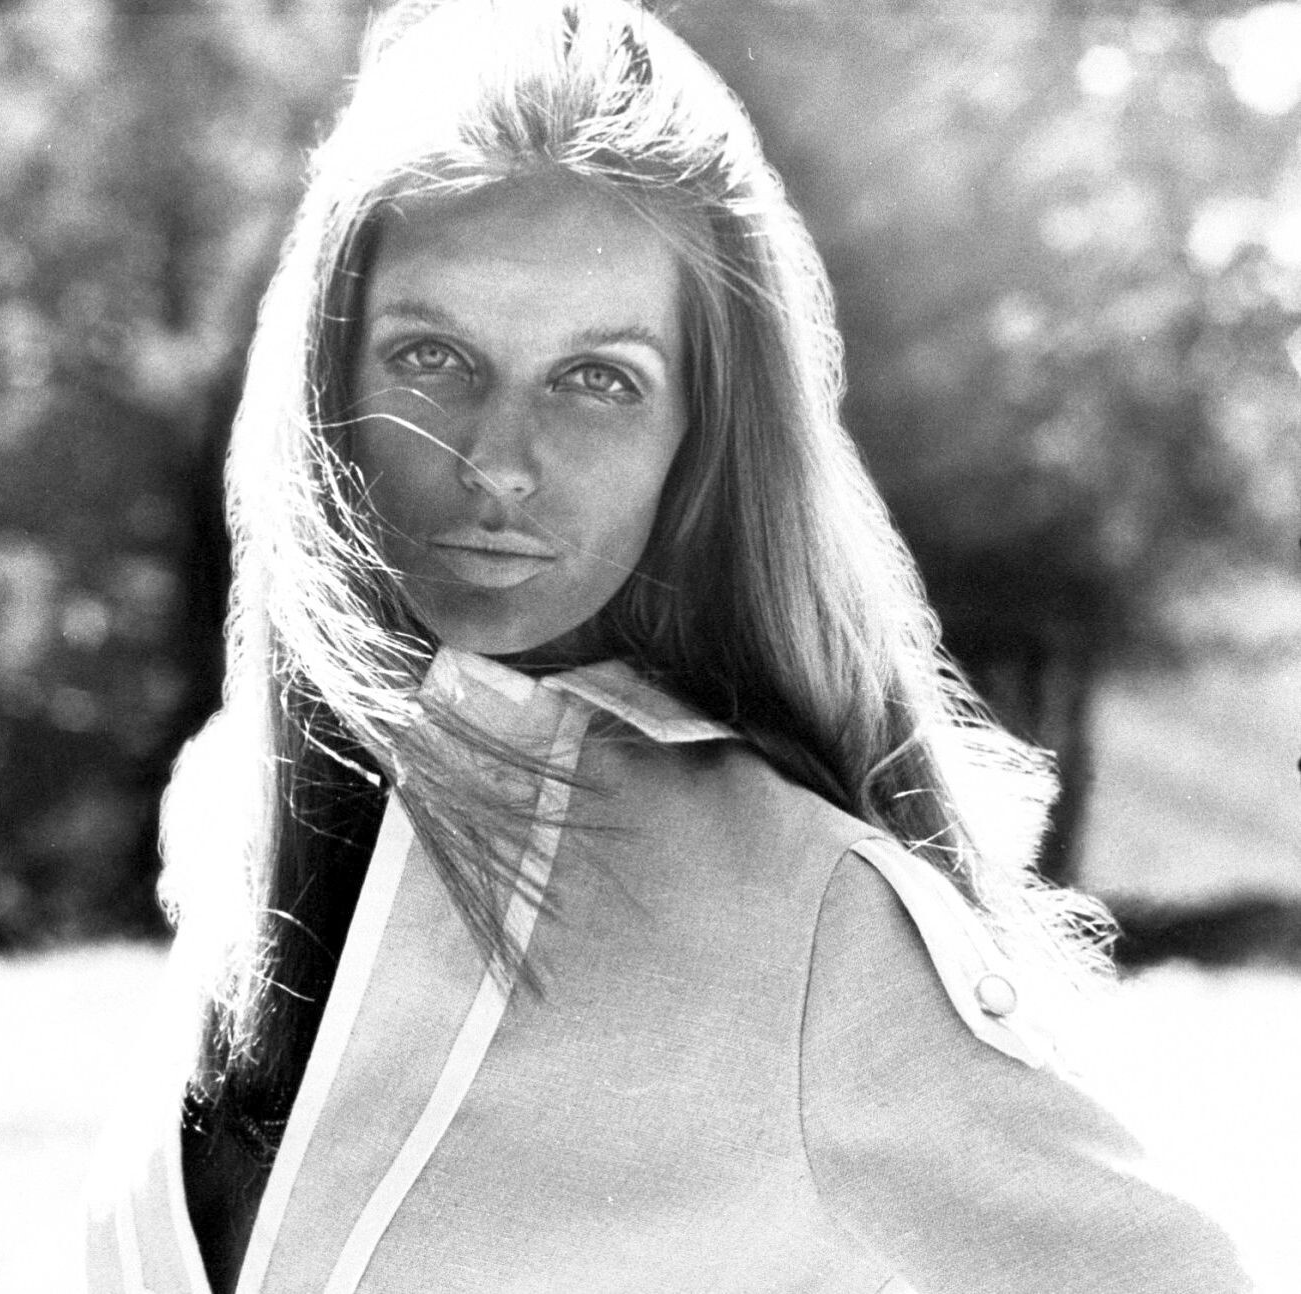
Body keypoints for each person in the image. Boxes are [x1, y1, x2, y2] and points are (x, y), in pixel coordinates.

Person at [85, 2, 1253, 1291]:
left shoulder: (814, 917)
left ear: (697, 437)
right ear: (326, 383)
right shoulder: (233, 810)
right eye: (431, 356)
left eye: (599, 379)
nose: (498, 462)